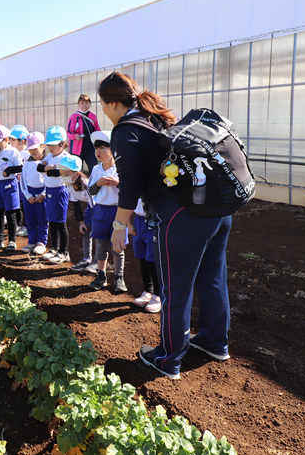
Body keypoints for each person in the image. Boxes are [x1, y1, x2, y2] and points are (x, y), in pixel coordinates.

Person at [99, 71, 232, 380]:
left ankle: (168, 359)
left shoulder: (125, 130)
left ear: (114, 103)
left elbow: (130, 185)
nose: (103, 111)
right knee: (212, 279)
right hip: (215, 209)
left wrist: (119, 226)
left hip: (181, 218)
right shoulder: (157, 117)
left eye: (103, 105)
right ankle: (215, 342)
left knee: (175, 289)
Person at [84, 131, 125, 292]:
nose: (98, 152)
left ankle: (119, 277)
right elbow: (90, 191)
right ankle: (101, 275)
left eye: (102, 148)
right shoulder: (96, 169)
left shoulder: (121, 169)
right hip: (100, 211)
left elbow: (129, 190)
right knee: (100, 245)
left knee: (117, 247)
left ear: (113, 149)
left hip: (118, 211)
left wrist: (117, 183)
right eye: (96, 148)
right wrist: (99, 183)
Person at [37, 126, 74, 264]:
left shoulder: (66, 158)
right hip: (49, 191)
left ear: (63, 143)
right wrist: (50, 167)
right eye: (49, 145)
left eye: (54, 145)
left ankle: (64, 252)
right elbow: (39, 168)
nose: (50, 148)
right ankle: (55, 248)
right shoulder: (50, 156)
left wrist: (48, 168)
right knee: (52, 221)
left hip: (60, 191)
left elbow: (57, 173)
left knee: (61, 223)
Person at [67, 94, 101, 173]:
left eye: (87, 103)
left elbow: (97, 130)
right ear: (78, 104)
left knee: (94, 168)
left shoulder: (93, 116)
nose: (84, 105)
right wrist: (75, 136)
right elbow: (69, 132)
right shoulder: (74, 117)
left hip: (90, 148)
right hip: (77, 149)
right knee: (77, 171)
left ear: (90, 104)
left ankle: (94, 181)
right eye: (82, 103)